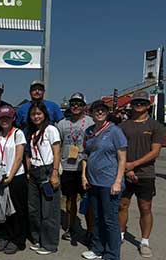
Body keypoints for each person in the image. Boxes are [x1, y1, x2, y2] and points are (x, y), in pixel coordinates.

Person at [118, 90, 165, 258]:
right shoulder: (123, 126)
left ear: (148, 105)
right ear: (131, 104)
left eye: (142, 103)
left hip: (146, 174)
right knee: (122, 205)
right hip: (124, 172)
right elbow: (118, 149)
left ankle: (144, 242)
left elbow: (155, 152)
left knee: (145, 208)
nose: (139, 105)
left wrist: (133, 165)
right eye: (136, 102)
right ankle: (120, 235)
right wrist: (127, 169)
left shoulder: (155, 126)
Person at [81, 100, 127, 260]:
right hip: (93, 181)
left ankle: (112, 254)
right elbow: (86, 155)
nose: (99, 112)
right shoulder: (89, 131)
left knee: (110, 220)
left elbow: (122, 158)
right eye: (96, 110)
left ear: (107, 113)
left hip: (109, 183)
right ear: (91, 113)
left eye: (102, 110)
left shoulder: (115, 131)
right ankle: (97, 248)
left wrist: (117, 182)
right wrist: (84, 176)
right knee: (98, 217)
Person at [55, 93, 95, 246]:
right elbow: (57, 145)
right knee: (70, 199)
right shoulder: (62, 123)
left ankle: (90, 230)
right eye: (73, 103)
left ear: (84, 105)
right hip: (67, 167)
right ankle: (71, 228)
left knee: (88, 201)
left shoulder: (91, 122)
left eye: (79, 103)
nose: (76, 106)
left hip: (85, 167)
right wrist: (57, 165)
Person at [0, 105, 28, 254]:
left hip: (16, 176)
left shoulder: (18, 134)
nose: (4, 120)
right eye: (2, 118)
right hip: (0, 176)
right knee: (2, 208)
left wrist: (10, 176)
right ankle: (4, 236)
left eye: (7, 117)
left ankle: (17, 239)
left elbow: (19, 157)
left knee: (17, 209)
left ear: (13, 118)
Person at [25, 101, 61, 255]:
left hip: (47, 171)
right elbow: (29, 153)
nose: (36, 117)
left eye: (39, 113)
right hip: (34, 171)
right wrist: (28, 171)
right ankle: (38, 238)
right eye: (33, 114)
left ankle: (50, 244)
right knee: (34, 209)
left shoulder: (51, 130)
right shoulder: (32, 132)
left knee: (49, 210)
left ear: (45, 115)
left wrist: (54, 172)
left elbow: (57, 152)